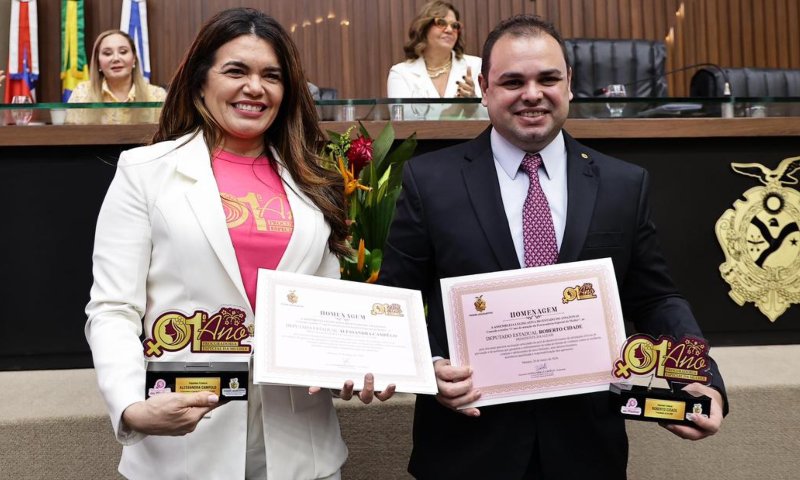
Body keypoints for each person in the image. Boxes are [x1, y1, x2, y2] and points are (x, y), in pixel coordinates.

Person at [378, 14, 727, 479]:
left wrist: (699, 377)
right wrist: (430, 368)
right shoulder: (430, 181)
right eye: (512, 81)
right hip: (467, 450)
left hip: (585, 451)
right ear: (484, 88)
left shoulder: (623, 184)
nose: (532, 94)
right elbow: (395, 304)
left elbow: (656, 297)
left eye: (547, 79)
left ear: (569, 83)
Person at [85, 8, 393, 480]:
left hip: (300, 447)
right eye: (236, 71)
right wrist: (130, 405)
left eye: (272, 76)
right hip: (184, 441)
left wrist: (351, 367)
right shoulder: (144, 173)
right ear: (199, 83)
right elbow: (112, 308)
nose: (255, 87)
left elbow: (325, 311)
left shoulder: (316, 181)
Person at [387, 1, 483, 119]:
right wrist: (449, 113)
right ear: (424, 28)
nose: (449, 30)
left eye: (455, 26)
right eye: (441, 23)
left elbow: (492, 116)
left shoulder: (476, 66)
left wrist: (473, 106)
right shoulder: (401, 73)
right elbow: (400, 121)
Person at [67, 29, 166, 124]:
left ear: (134, 59)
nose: (116, 59)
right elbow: (70, 133)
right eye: (107, 53)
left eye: (123, 52)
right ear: (98, 62)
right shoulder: (82, 94)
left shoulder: (157, 96)